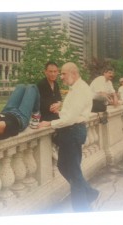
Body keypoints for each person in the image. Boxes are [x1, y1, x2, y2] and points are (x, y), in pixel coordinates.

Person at [38, 62, 99, 212]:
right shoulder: (77, 88)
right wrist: (60, 109)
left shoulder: (79, 89)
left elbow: (71, 119)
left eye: (63, 74)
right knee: (64, 166)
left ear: (73, 73)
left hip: (72, 131)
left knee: (74, 172)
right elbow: (71, 112)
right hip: (71, 132)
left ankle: (82, 210)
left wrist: (49, 123)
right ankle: (90, 193)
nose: (61, 77)